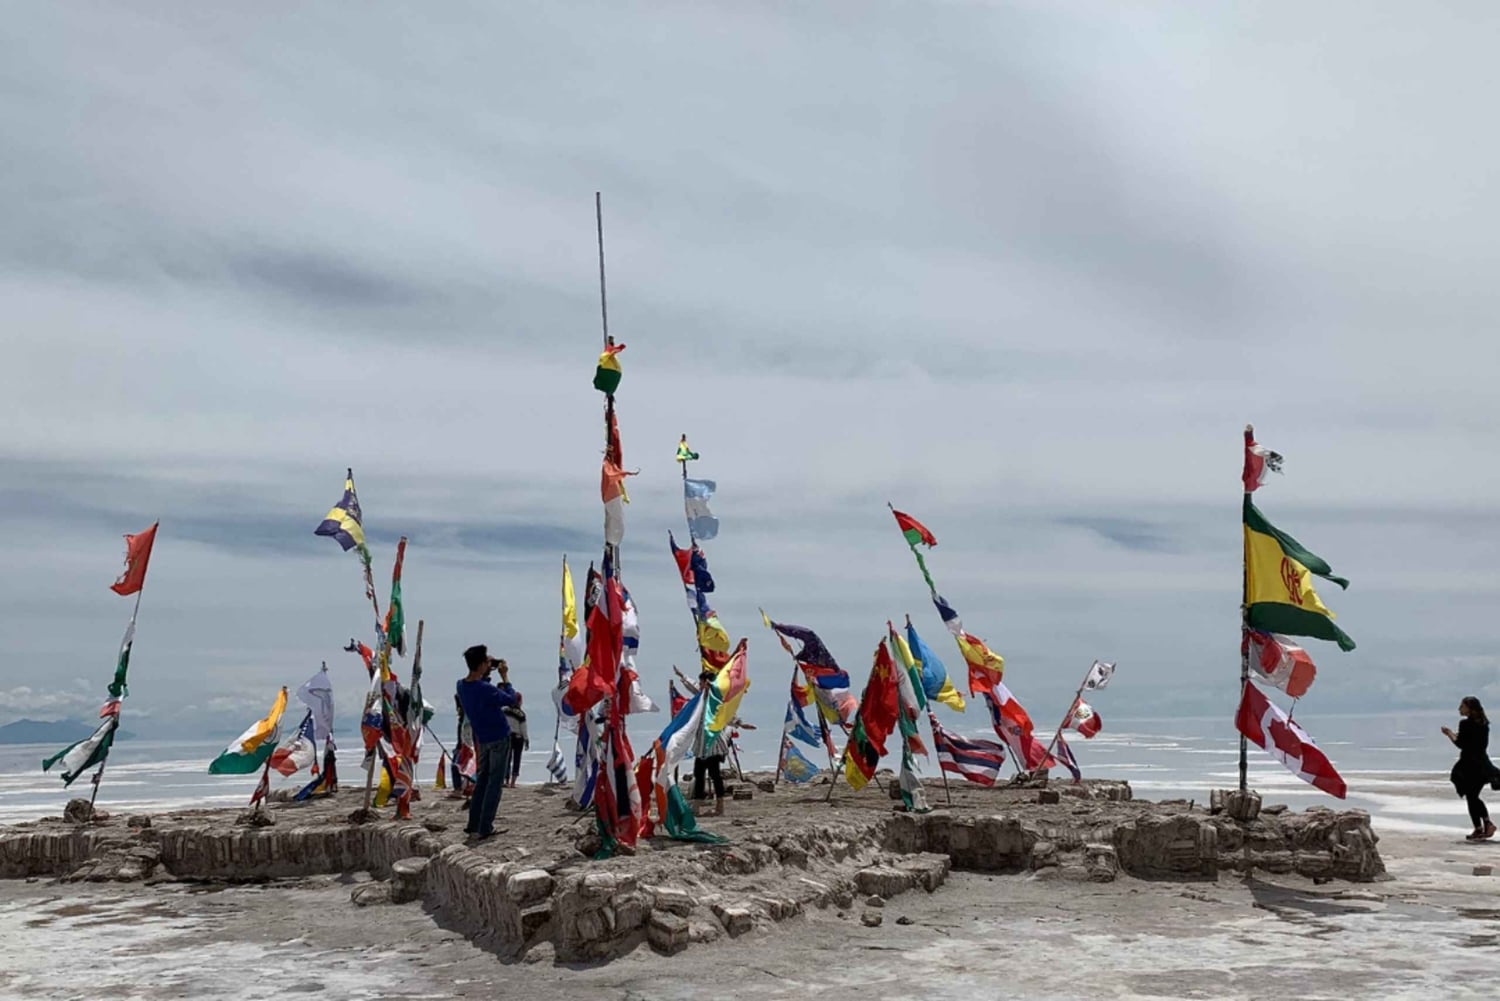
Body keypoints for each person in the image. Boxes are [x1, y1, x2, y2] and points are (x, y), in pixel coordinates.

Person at [455, 645, 518, 840]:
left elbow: (478, 685)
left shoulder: (461, 685)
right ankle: (485, 826)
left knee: (482, 782)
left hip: (482, 738)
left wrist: (486, 669)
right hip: (499, 736)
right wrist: (505, 677)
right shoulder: (485, 689)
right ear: (482, 664)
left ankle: (473, 823)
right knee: (494, 784)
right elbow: (512, 699)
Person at [1444, 696, 1500, 841]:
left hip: (1470, 765)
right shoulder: (1484, 724)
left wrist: (1449, 733)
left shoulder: (1465, 724)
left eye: (1462, 706)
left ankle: (1485, 825)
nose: (1459, 709)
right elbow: (1475, 744)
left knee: (1472, 797)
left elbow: (1461, 744)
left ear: (1470, 709)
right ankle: (1481, 827)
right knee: (1472, 796)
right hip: (1482, 763)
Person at [691, 667, 730, 815]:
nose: (700, 685)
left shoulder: (716, 699)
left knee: (715, 775)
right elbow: (693, 687)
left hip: (712, 742)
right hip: (701, 742)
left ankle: (720, 806)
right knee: (698, 774)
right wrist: (682, 677)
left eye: (702, 683)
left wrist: (740, 723)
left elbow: (726, 714)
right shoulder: (700, 698)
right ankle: (696, 806)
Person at [503, 694, 528, 788]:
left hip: (507, 736)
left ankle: (506, 780)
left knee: (507, 759)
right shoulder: (521, 714)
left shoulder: (504, 710)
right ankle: (513, 782)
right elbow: (523, 728)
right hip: (518, 737)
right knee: (517, 759)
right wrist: (526, 739)